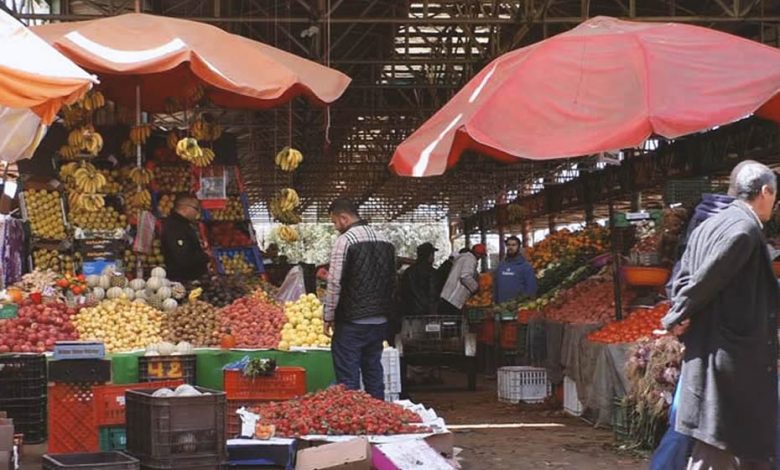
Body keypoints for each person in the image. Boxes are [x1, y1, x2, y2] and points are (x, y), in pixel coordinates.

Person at [661, 161, 779, 469]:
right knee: (720, 446)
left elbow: (681, 278)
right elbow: (707, 279)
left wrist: (681, 307)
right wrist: (678, 313)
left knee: (728, 446)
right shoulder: (745, 229)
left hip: (709, 350)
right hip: (731, 359)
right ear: (765, 192)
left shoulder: (708, 226)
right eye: (776, 197)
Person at [650, 160, 750, 470]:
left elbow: (681, 291)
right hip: (719, 351)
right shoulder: (732, 243)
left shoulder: (698, 241)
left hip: (707, 350)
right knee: (692, 425)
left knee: (688, 424)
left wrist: (679, 315)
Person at [323, 198, 396, 400]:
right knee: (374, 372)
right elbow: (392, 281)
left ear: (344, 218)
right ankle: (379, 415)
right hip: (380, 321)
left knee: (348, 379)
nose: (335, 227)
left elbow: (334, 283)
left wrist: (328, 316)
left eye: (335, 222)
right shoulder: (386, 240)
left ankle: (352, 423)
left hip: (352, 322)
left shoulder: (344, 241)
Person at [161, 195, 210, 282]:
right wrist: (204, 256)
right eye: (196, 208)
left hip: (189, 277)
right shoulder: (175, 226)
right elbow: (182, 256)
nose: (197, 212)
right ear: (185, 208)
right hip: (183, 279)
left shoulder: (184, 224)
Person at [439, 244, 486, 315]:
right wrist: (476, 288)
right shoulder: (470, 260)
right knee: (452, 323)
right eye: (481, 256)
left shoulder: (463, 258)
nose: (480, 258)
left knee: (446, 323)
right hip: (453, 299)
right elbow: (465, 276)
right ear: (479, 254)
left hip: (447, 297)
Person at [399, 242, 439, 316]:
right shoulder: (431, 272)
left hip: (409, 313)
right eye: (432, 254)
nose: (433, 258)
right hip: (426, 313)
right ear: (428, 256)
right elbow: (433, 293)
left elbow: (402, 291)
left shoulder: (408, 271)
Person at [493, 236, 537, 303]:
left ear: (519, 247)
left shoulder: (526, 267)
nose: (510, 247)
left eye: (514, 245)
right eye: (508, 245)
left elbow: (531, 289)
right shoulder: (501, 266)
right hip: (501, 307)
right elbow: (495, 286)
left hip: (518, 307)